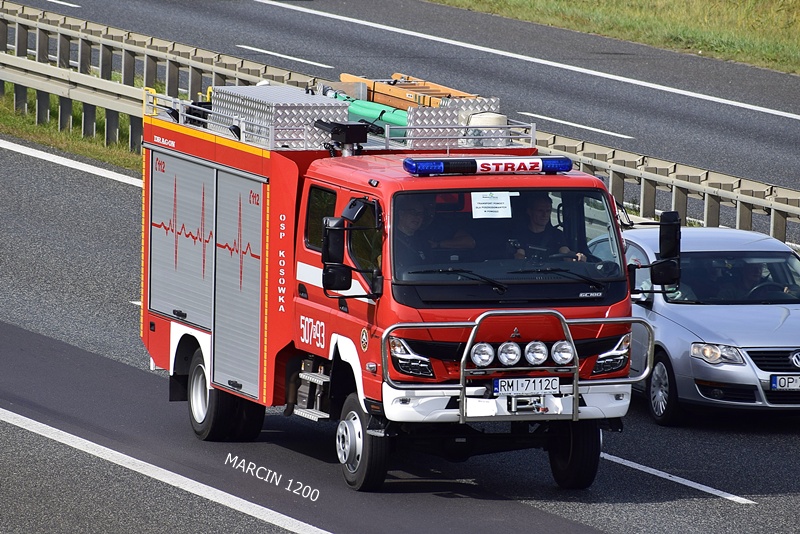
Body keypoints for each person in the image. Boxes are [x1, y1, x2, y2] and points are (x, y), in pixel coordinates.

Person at [512, 192, 586, 261]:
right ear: (529, 212)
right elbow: (520, 254)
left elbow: (565, 252)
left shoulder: (556, 235)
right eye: (540, 211)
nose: (545, 215)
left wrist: (576, 257)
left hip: (553, 274)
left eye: (548, 211)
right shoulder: (520, 234)